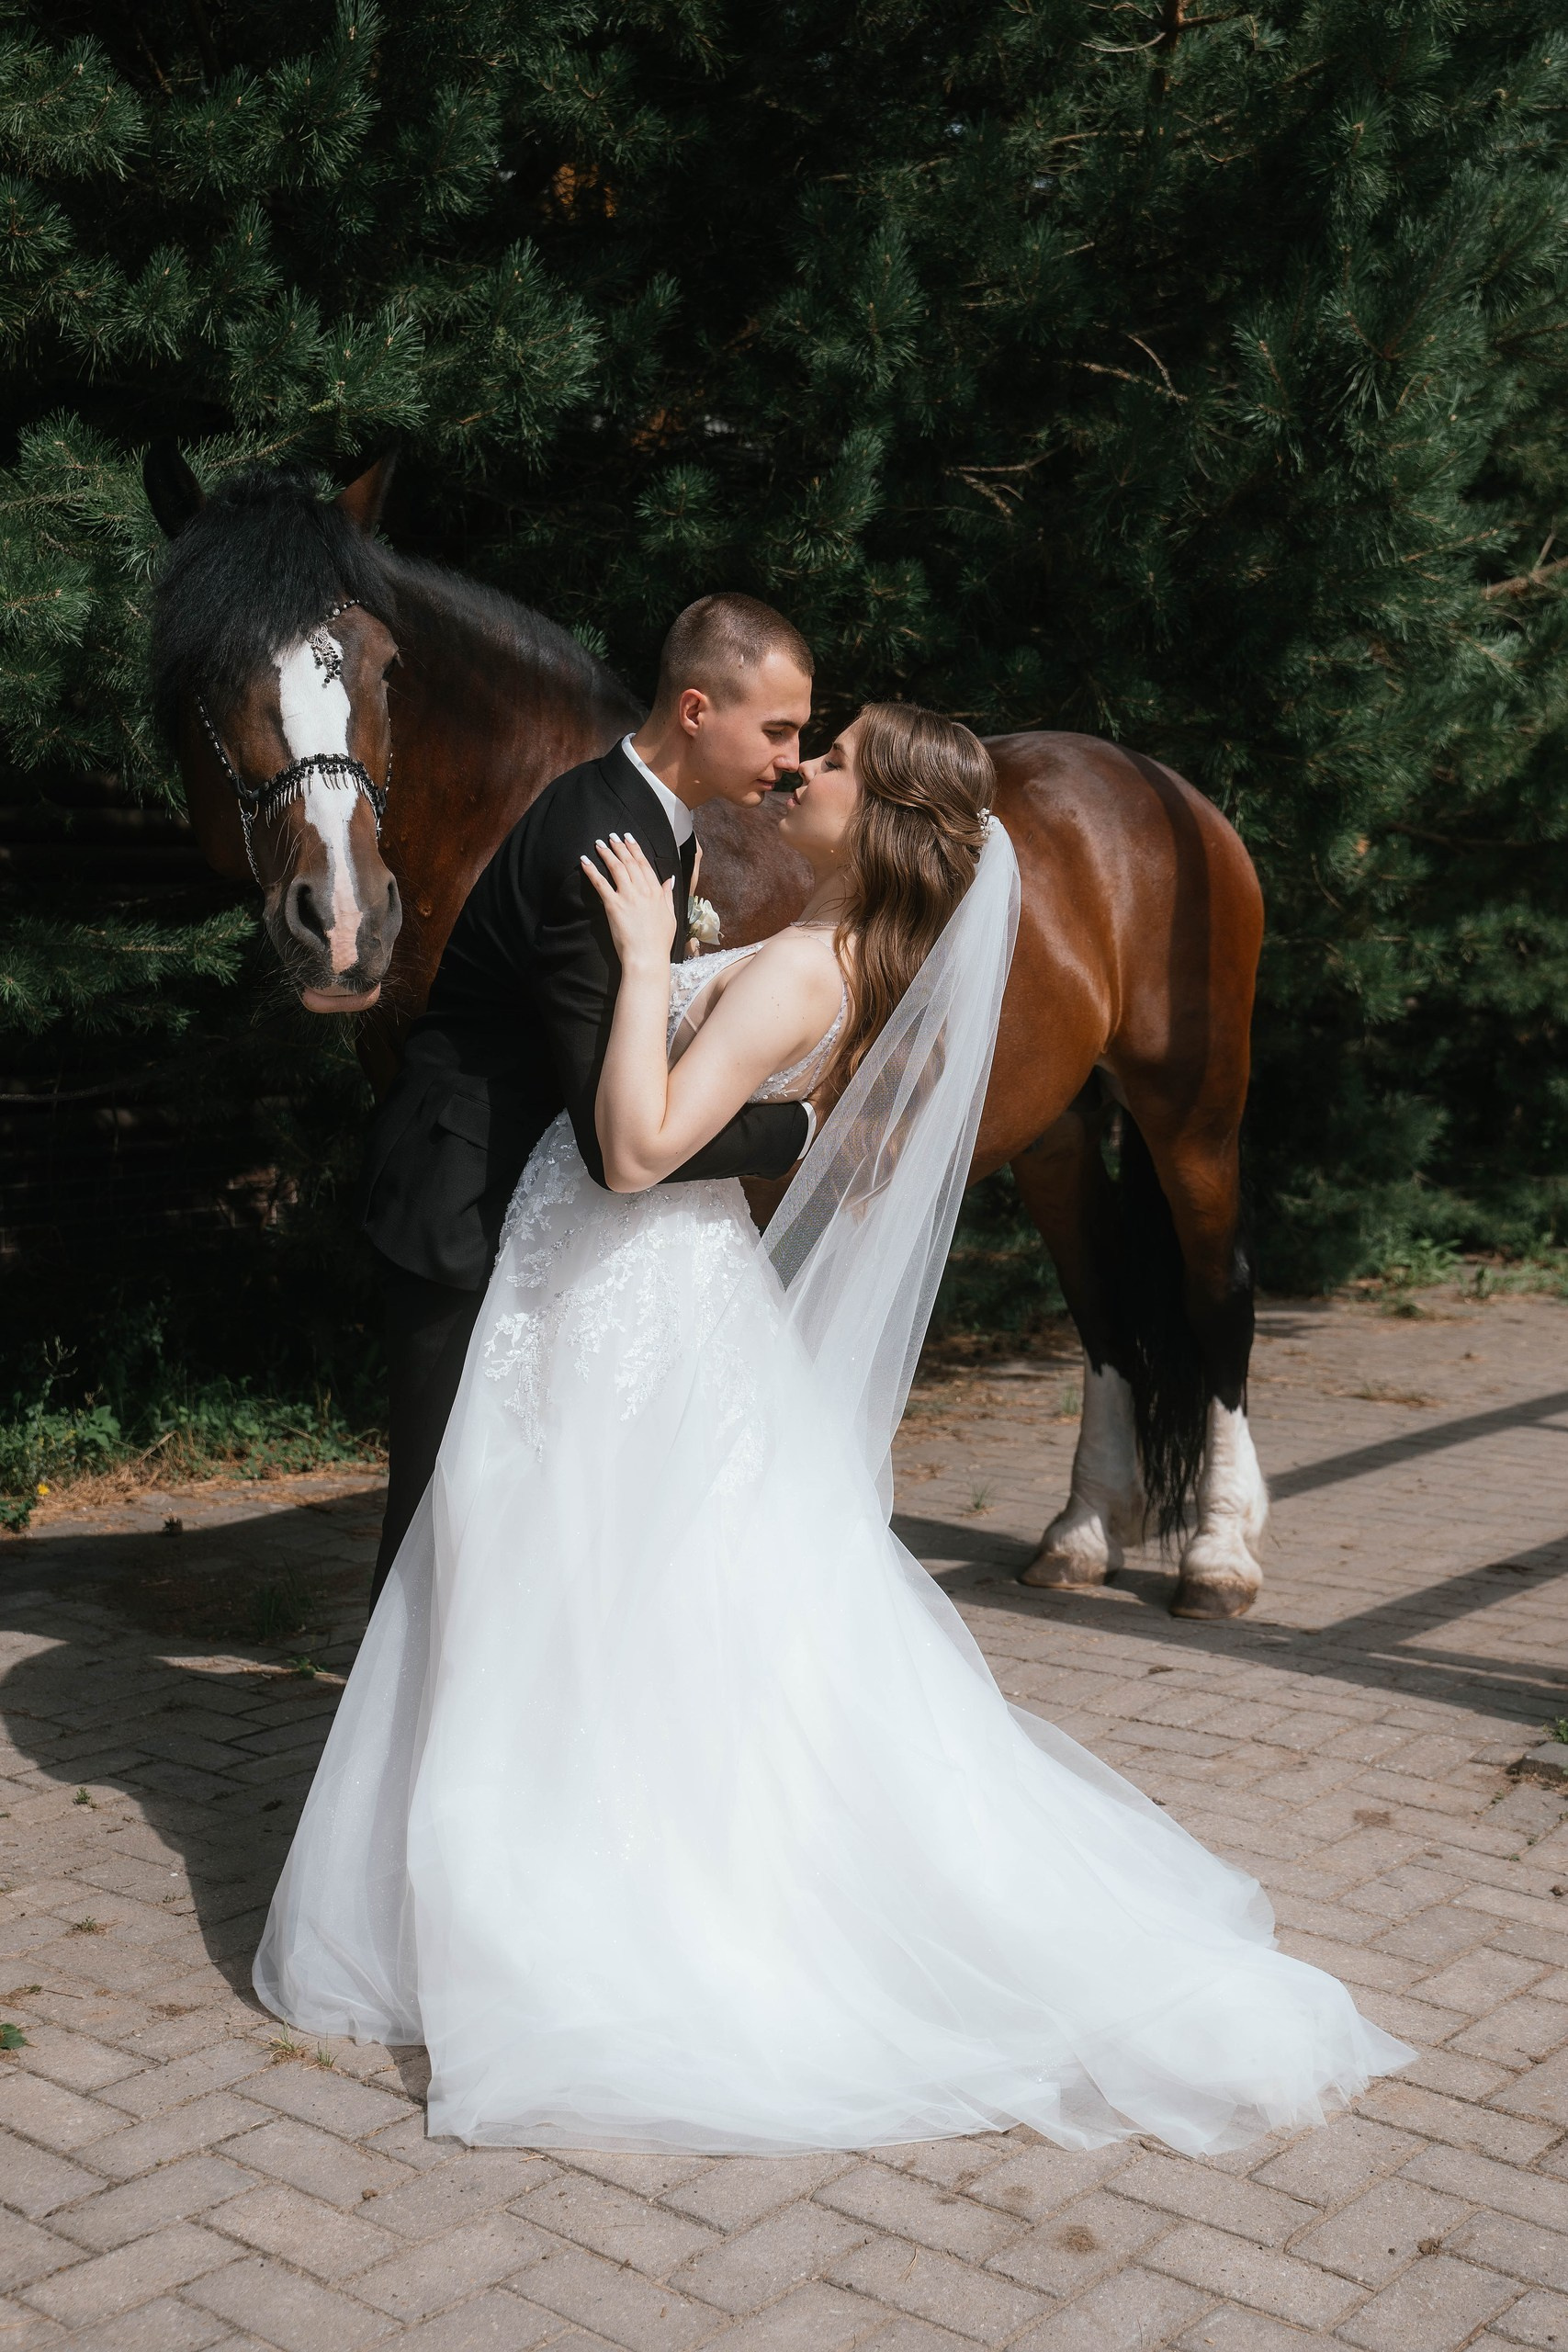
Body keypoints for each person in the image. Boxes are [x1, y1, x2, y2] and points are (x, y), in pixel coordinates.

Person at [256, 701, 1411, 2154]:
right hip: (643, 1295)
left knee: (590, 1578)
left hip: (628, 1283)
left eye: (835, 757)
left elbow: (638, 1149)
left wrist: (640, 966)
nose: (800, 767)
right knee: (632, 1594)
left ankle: (590, 1891)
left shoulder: (808, 965)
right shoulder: (834, 946)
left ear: (876, 821)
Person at [359, 594, 818, 1599]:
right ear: (696, 710)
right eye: (778, 730)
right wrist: (798, 1128)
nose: (792, 760)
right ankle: (400, 1709)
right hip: (463, 1191)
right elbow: (623, 1146)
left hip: (531, 1189)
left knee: (508, 1515)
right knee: (438, 1518)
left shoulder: (652, 819)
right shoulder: (603, 844)